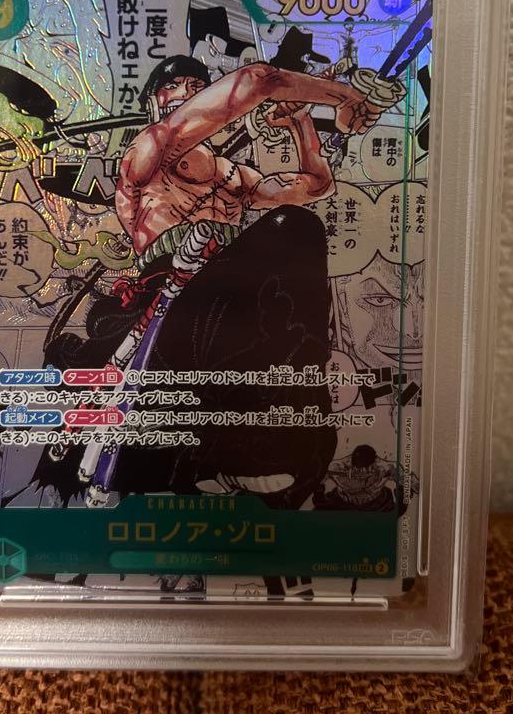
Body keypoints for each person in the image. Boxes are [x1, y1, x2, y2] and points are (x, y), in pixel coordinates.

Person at [43, 55, 394, 509]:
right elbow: (258, 80)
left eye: (198, 84)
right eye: (175, 85)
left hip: (232, 307)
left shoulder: (230, 178)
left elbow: (316, 185)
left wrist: (299, 120)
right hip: (171, 301)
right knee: (291, 229)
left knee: (297, 228)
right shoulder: (146, 154)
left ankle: (271, 450)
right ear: (154, 102)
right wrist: (346, 96)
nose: (188, 92)